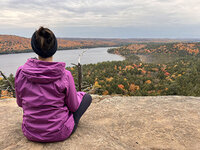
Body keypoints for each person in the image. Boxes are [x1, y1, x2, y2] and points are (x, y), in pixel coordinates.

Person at [14, 27, 92, 142]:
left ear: (34, 48)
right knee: (87, 97)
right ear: (54, 47)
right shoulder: (64, 75)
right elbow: (74, 107)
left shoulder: (21, 72)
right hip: (59, 132)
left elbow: (20, 103)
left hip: (30, 132)